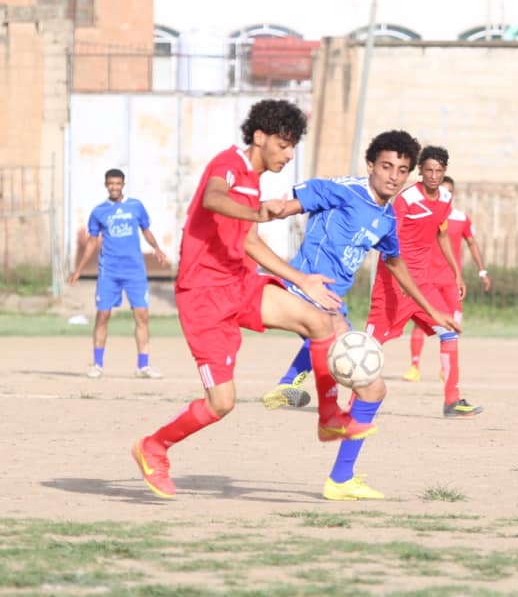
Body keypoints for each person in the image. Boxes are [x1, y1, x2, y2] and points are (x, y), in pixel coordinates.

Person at [131, 101, 452, 501]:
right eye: (285, 147)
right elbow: (214, 199)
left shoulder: (261, 185)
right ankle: (154, 446)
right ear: (261, 137)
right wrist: (270, 213)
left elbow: (248, 241)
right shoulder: (230, 165)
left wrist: (299, 276)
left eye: (403, 170)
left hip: (243, 283)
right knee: (221, 403)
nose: (289, 155)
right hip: (203, 297)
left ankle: (330, 423)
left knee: (325, 328)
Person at [260, 130, 461, 500]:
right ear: (370, 165)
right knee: (330, 332)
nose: (393, 176)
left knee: (374, 388)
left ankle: (340, 478)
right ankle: (291, 386)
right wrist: (267, 210)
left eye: (402, 170)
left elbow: (397, 263)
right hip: (301, 288)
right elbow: (294, 202)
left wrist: (433, 309)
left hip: (332, 302)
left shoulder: (386, 220)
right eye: (386, 166)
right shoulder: (344, 190)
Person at [366, 146, 483, 417]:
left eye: (438, 171)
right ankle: (352, 405)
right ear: (420, 170)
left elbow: (441, 235)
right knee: (369, 346)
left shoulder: (444, 197)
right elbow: (388, 239)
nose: (433, 175)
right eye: (428, 170)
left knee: (449, 331)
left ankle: (452, 400)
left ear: (445, 172)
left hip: (423, 281)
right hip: (394, 281)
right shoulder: (406, 199)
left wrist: (457, 273)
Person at [68, 169, 167, 379]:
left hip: (135, 272)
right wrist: (79, 269)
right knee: (103, 315)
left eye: (118, 183)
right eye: (111, 183)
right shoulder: (99, 212)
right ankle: (97, 364)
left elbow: (145, 230)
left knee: (142, 316)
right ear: (106, 185)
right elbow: (92, 241)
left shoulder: (135, 206)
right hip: (109, 272)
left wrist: (157, 248)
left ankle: (143, 365)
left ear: (123, 184)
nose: (114, 187)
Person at [403, 175, 492, 384]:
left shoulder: (461, 218)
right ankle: (414, 366)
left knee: (453, 325)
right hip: (427, 279)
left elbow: (472, 243)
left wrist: (482, 271)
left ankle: (446, 370)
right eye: (442, 190)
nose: (445, 194)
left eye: (449, 191)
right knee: (423, 323)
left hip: (451, 282)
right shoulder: (423, 215)